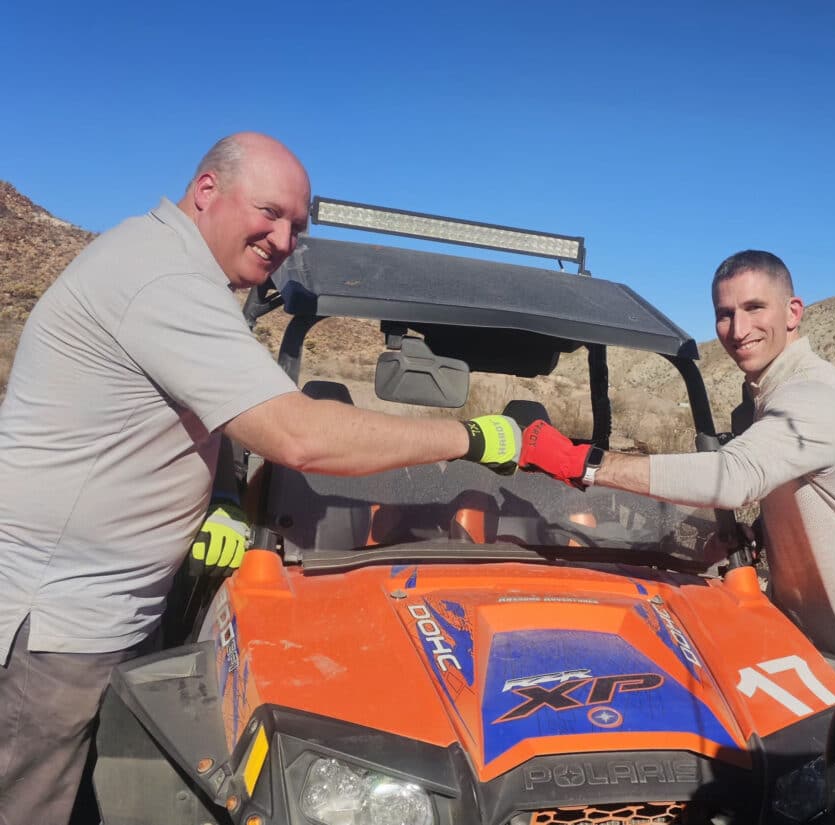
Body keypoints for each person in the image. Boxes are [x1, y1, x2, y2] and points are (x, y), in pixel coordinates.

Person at [0, 132, 519, 825]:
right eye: (270, 213)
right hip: (60, 627)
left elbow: (191, 418)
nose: (282, 238)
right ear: (207, 190)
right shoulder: (163, 279)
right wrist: (473, 436)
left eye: (297, 226)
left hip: (111, 612)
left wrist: (220, 496)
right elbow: (296, 434)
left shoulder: (184, 277)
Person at [518, 250, 835, 825]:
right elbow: (800, 489)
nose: (738, 330)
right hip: (801, 641)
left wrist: (582, 463)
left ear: (793, 312)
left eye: (754, 308)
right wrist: (759, 533)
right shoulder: (760, 399)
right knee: (806, 799)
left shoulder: (814, 398)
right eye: (724, 314)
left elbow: (734, 476)